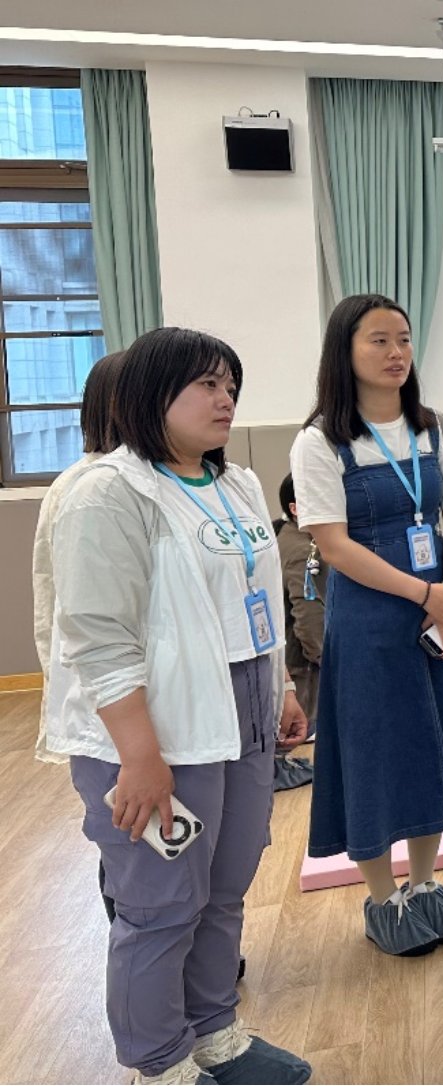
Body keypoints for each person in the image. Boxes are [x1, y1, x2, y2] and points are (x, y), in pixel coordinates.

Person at [44, 327, 311, 1085]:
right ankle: (160, 1062)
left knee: (224, 887)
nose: (226, 399)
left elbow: (257, 600)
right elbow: (97, 638)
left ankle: (215, 1033)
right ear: (150, 394)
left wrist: (283, 689)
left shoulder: (238, 485)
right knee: (161, 903)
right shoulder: (108, 492)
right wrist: (139, 756)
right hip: (156, 726)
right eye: (207, 385)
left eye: (231, 385)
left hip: (242, 709)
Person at [290, 293, 443, 957]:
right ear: (345, 351)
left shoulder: (434, 427)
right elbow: (333, 545)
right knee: (377, 750)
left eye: (404, 339)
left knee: (436, 739)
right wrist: (425, 594)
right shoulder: (320, 441)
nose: (396, 353)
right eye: (379, 340)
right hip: (370, 617)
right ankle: (382, 897)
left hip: (441, 606)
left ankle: (425, 882)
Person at [33, 351, 126, 921]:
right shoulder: (85, 488)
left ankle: (194, 953)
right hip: (105, 700)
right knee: (127, 846)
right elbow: (64, 614)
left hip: (144, 697)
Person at [271, 473, 327, 792]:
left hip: (292, 657)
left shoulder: (285, 537)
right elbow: (307, 612)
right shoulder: (304, 549)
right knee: (298, 722)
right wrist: (324, 658)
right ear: (296, 508)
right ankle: (277, 768)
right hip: (300, 661)